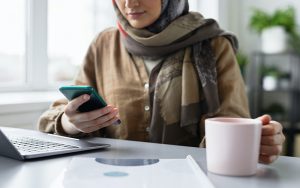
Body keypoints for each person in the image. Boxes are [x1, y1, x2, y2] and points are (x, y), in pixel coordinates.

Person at [38, 0, 285, 164]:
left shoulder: (214, 45)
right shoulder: (104, 43)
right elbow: (55, 116)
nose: (129, 3)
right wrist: (71, 123)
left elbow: (235, 124)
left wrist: (258, 140)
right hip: (113, 179)